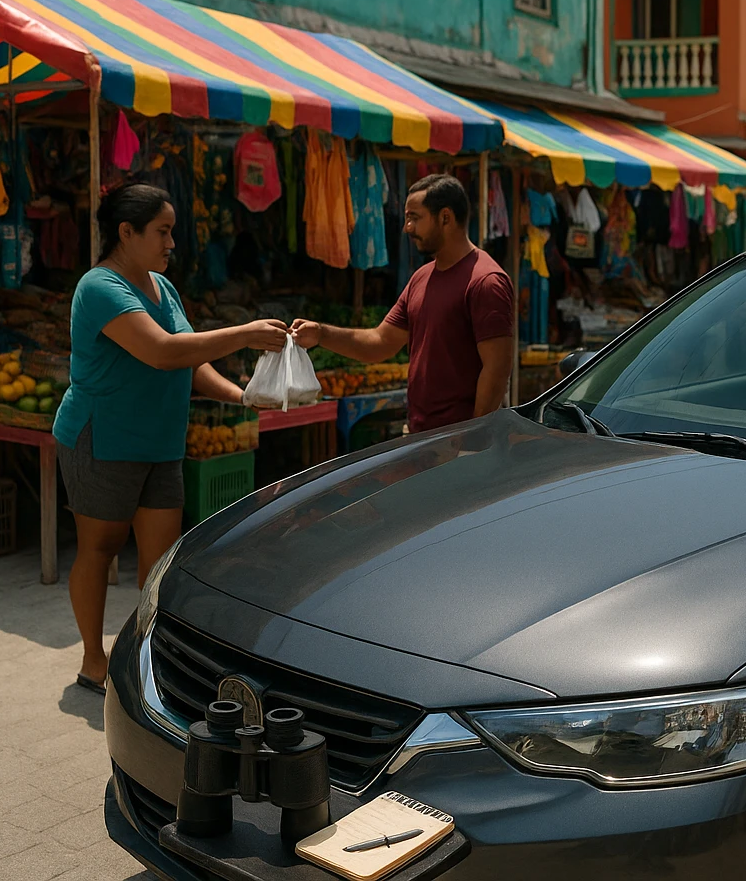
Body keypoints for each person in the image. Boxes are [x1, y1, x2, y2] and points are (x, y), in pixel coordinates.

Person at [55, 184, 288, 693]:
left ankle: (147, 660)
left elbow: (188, 358)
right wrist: (246, 333)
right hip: (103, 439)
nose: (171, 243)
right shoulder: (99, 287)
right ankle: (94, 660)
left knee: (160, 565)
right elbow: (161, 351)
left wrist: (241, 396)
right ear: (126, 232)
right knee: (100, 549)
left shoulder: (164, 287)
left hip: (160, 442)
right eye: (162, 231)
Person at [292, 173, 513, 434]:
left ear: (445, 218)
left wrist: (475, 440)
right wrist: (321, 334)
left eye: (414, 218)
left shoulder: (486, 281)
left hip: (460, 444)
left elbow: (497, 370)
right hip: (421, 438)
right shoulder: (421, 278)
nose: (406, 228)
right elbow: (380, 342)